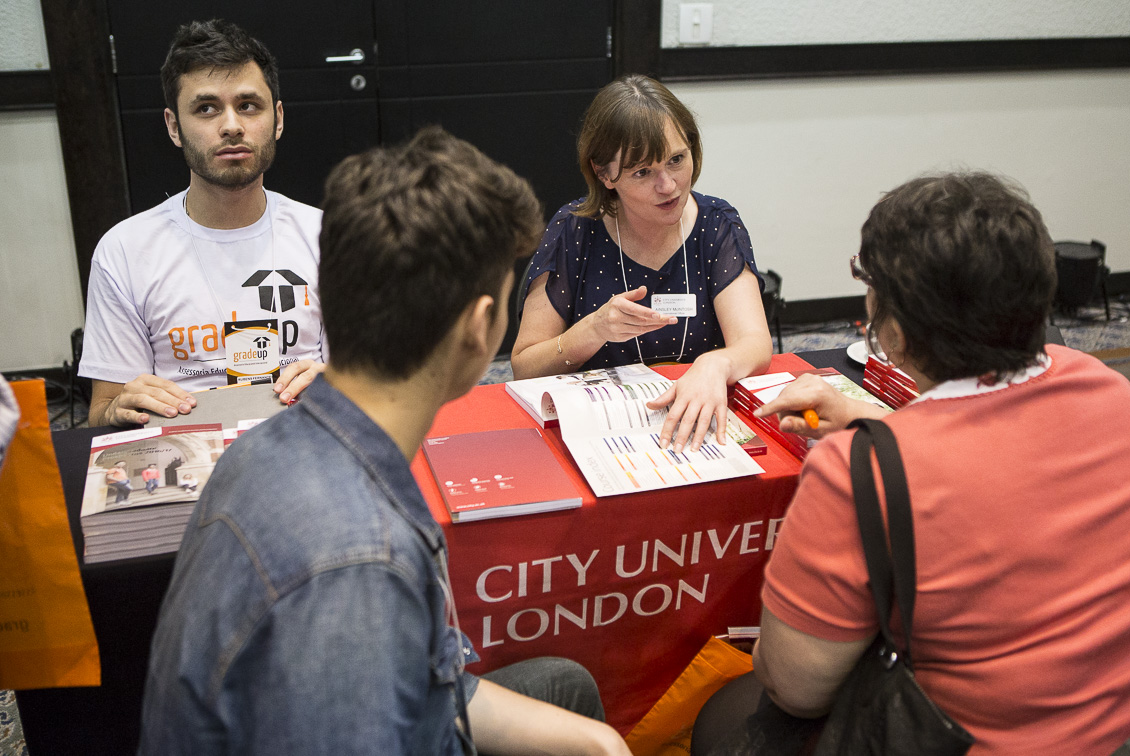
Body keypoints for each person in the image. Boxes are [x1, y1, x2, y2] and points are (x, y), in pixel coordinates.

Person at [138, 127, 631, 755]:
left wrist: (597, 745)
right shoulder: (361, 564)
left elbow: (424, 682)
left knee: (572, 699)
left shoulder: (273, 445)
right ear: (480, 329)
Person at [692, 173, 1130, 755]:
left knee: (728, 716)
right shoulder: (1106, 387)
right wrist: (858, 415)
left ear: (894, 334)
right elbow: (995, 443)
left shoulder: (860, 473)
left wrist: (868, 445)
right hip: (1108, 727)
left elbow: (796, 687)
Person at [79, 19, 325, 428]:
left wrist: (341, 385)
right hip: (183, 446)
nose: (231, 125)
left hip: (304, 440)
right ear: (174, 127)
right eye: (206, 108)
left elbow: (377, 392)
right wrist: (117, 408)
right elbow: (100, 416)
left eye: (248, 105)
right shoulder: (124, 251)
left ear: (278, 119)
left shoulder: (329, 237)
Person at [512, 74, 772, 453]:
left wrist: (715, 365)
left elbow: (754, 344)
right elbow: (524, 367)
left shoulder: (716, 223)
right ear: (604, 174)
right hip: (602, 432)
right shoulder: (575, 230)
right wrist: (595, 328)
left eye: (677, 160)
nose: (669, 186)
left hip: (694, 422)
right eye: (642, 172)